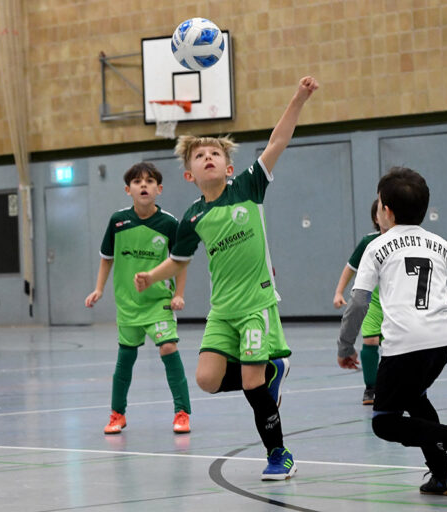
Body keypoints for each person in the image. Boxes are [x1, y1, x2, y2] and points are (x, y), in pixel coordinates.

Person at [135, 76, 319, 480]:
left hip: (256, 304)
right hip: (223, 311)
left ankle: (279, 455)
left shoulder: (248, 187)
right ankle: (272, 372)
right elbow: (179, 261)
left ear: (228, 166)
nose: (207, 158)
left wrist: (298, 98)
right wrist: (152, 275)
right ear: (189, 175)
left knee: (252, 383)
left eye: (214, 152)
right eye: (199, 155)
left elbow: (277, 142)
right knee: (207, 379)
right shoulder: (193, 217)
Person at [337, 167, 447, 496]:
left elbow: (359, 303)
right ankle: (444, 474)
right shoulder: (440, 244)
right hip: (443, 341)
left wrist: (345, 345)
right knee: (415, 399)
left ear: (385, 211)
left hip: (405, 343)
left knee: (385, 421)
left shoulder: (377, 246)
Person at [85, 162, 192, 436]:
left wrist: (179, 294)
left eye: (149, 181)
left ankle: (182, 412)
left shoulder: (169, 223)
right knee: (125, 359)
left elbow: (180, 261)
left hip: (158, 302)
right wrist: (99, 289)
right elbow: (106, 258)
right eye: (137, 181)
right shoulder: (117, 221)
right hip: (128, 304)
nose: (143, 185)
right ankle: (117, 414)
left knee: (168, 347)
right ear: (127, 189)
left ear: (159, 188)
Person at [333, 199, 384, 405]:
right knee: (370, 340)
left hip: (397, 301)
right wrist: (339, 292)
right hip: (373, 299)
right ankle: (371, 387)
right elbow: (350, 268)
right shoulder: (368, 242)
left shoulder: (404, 240)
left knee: (397, 344)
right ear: (376, 218)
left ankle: (400, 385)